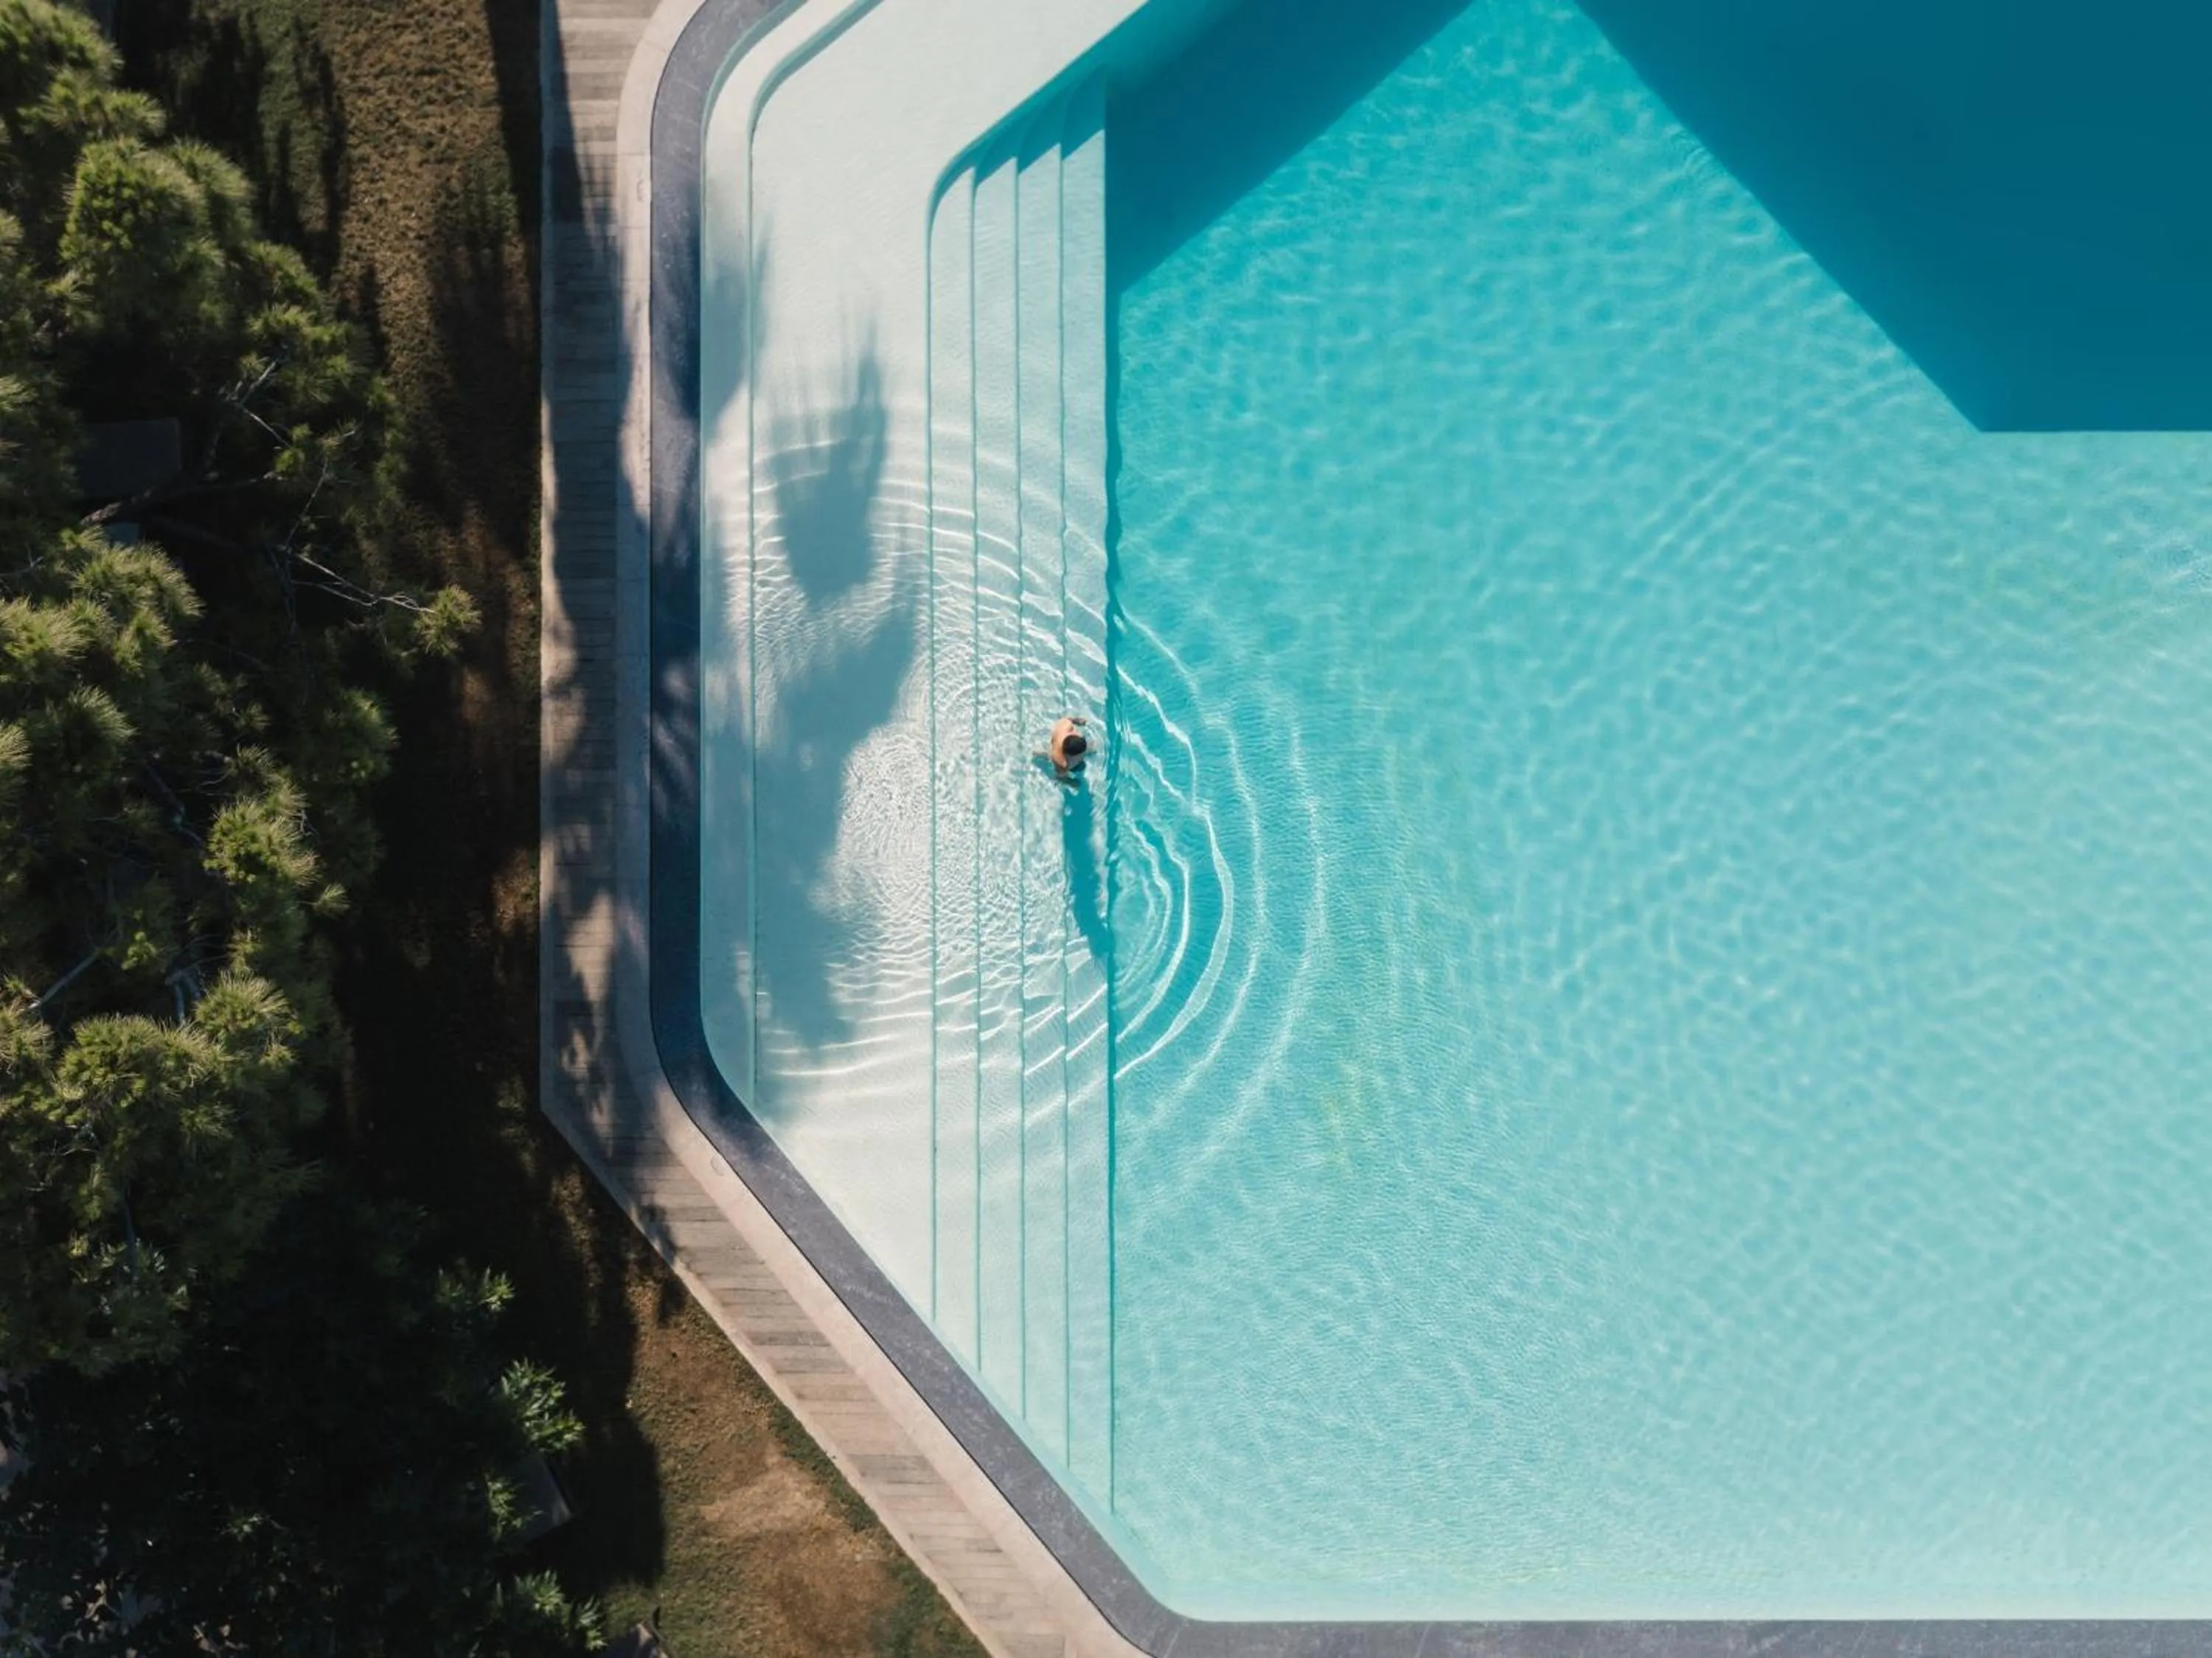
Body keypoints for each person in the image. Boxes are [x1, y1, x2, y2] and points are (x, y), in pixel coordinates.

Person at [1043, 714, 1091, 782]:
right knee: (1080, 768)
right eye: (1080, 756)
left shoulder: (1066, 726)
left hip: (1060, 739)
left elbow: (1067, 719)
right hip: (1055, 750)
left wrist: (1076, 721)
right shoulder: (1061, 763)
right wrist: (1070, 782)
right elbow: (1059, 777)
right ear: (1068, 756)